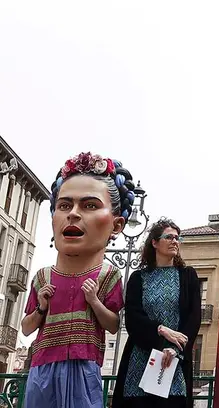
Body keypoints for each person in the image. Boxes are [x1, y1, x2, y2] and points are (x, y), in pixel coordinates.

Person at [21, 151, 135, 407]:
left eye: (90, 205)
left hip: (85, 366)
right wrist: (41, 306)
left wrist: (94, 300)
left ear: (117, 225)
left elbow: (114, 325)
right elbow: (27, 328)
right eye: (64, 205)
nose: (72, 214)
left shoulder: (108, 275)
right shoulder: (42, 276)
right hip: (42, 366)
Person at [113, 218, 202, 408]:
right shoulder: (138, 278)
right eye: (169, 237)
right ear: (154, 242)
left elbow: (194, 318)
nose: (174, 241)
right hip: (140, 359)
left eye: (177, 238)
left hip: (174, 359)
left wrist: (176, 349)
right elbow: (133, 319)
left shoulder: (188, 276)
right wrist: (161, 331)